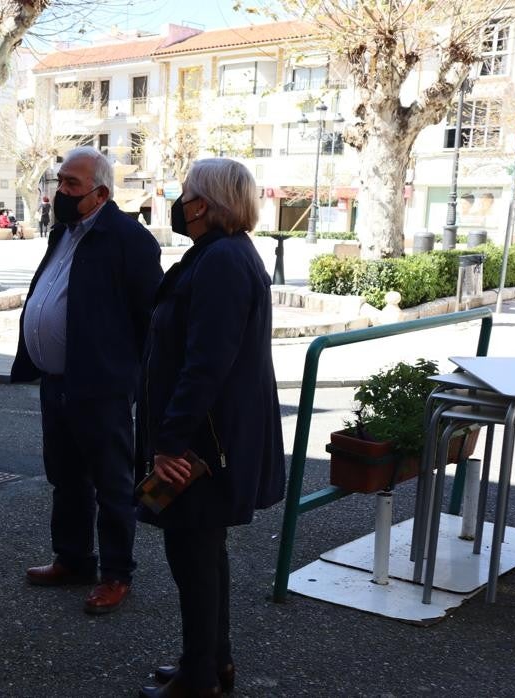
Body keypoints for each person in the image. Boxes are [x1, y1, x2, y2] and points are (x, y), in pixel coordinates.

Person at [135, 158, 285, 698]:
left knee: (192, 555)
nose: (180, 201)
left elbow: (205, 364)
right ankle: (211, 663)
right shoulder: (221, 254)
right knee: (204, 552)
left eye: (187, 193)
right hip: (211, 437)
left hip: (202, 443)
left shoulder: (222, 261)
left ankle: (199, 677)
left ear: (207, 203)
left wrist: (168, 442)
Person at [11, 146, 163, 614]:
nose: (60, 191)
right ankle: (74, 558)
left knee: (112, 483)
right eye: (59, 182)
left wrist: (126, 377)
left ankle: (116, 573)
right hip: (57, 383)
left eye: (71, 185)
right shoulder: (64, 232)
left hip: (101, 388)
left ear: (99, 194)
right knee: (66, 478)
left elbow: (151, 318)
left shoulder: (128, 239)